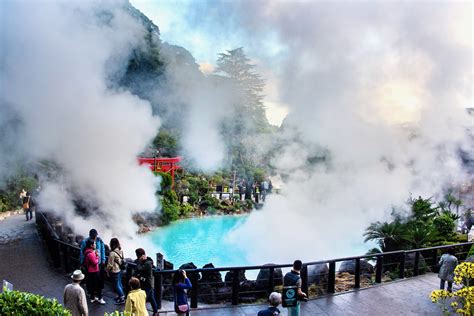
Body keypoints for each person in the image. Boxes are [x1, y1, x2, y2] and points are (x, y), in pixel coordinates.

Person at [79, 229, 106, 297]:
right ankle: (89, 291)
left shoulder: (99, 241)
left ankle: (96, 291)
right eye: (93, 236)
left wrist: (103, 260)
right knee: (89, 279)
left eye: (95, 235)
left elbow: (103, 250)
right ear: (90, 235)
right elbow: (82, 253)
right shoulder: (85, 242)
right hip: (89, 264)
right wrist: (82, 263)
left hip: (98, 263)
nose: (95, 237)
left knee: (97, 278)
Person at [134, 248, 158, 315]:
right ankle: (156, 312)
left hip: (148, 285)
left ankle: (141, 312)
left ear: (141, 255)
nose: (137, 257)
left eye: (138, 256)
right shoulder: (146, 261)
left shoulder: (147, 263)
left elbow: (139, 268)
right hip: (147, 284)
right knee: (151, 298)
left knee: (143, 299)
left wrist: (139, 262)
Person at [83, 239, 105, 304]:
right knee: (98, 285)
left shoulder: (88, 251)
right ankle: (100, 299)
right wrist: (97, 256)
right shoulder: (90, 254)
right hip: (94, 271)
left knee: (92, 285)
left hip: (90, 271)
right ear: (91, 245)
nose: (95, 245)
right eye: (94, 244)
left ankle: (92, 298)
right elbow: (95, 262)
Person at [107, 238, 125, 304]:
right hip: (120, 269)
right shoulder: (121, 250)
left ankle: (122, 298)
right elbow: (123, 259)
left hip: (114, 270)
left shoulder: (112, 253)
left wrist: (107, 271)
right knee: (119, 283)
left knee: (116, 285)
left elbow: (110, 264)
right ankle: (121, 296)